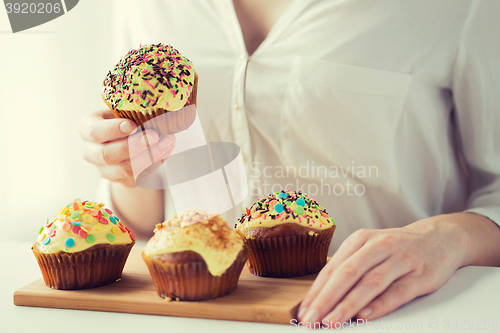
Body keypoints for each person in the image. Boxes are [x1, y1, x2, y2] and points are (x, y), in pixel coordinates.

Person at [79, 0, 500, 326]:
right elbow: (144, 211)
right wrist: (126, 169)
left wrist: (450, 237)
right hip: (194, 313)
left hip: (391, 314)